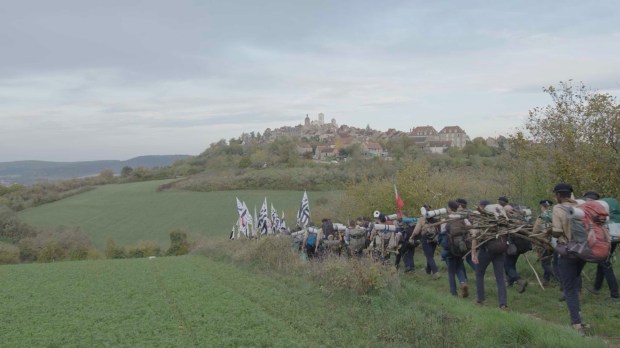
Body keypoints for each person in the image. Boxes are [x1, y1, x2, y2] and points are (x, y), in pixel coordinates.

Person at [551, 183, 589, 334]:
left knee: (569, 289)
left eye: (555, 194)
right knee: (574, 284)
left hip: (568, 252)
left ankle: (577, 324)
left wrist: (551, 234)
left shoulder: (558, 208)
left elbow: (557, 231)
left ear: (559, 195)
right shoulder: (583, 206)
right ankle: (578, 317)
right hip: (584, 251)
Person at [584, 192, 620, 301]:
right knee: (602, 261)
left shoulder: (594, 207)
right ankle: (596, 287)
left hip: (606, 238)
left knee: (605, 263)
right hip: (616, 236)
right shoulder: (609, 205)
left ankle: (615, 295)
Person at [471, 211, 508, 310]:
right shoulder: (502, 223)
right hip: (500, 252)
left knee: (479, 273)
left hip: (486, 251)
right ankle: (503, 304)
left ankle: (480, 299)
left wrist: (473, 253)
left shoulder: (482, 222)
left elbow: (474, 237)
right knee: (500, 277)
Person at [441, 201, 469, 298]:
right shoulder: (462, 219)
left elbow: (442, 234)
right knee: (460, 267)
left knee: (451, 271)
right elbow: (469, 228)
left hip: (450, 248)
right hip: (461, 247)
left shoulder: (446, 219)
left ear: (449, 208)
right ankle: (463, 282)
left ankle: (453, 293)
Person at [533, 199, 558, 285]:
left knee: (544, 263)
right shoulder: (555, 215)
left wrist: (534, 236)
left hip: (544, 242)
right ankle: (546, 279)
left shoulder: (542, 216)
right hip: (555, 242)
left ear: (542, 207)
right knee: (548, 261)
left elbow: (536, 230)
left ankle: (558, 277)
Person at [411, 205, 440, 279]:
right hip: (435, 239)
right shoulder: (435, 218)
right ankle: (428, 270)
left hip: (425, 239)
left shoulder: (422, 219)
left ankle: (435, 272)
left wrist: (411, 237)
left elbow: (416, 231)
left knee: (429, 256)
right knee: (430, 256)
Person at [457, 198, 476, 272]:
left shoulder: (460, 213)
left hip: (464, 237)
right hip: (471, 236)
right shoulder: (471, 212)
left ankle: (464, 278)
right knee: (468, 257)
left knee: (462, 257)